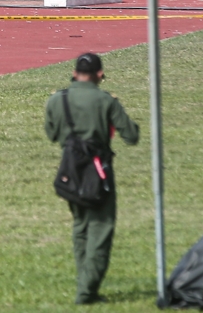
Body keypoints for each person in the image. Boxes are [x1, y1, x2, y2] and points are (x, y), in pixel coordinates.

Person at [45, 52, 140, 305]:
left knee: (81, 227)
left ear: (75, 73)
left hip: (69, 170)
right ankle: (86, 292)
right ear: (99, 75)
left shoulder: (57, 99)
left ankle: (84, 281)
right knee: (101, 228)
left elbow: (51, 134)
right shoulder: (106, 100)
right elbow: (131, 135)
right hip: (98, 171)